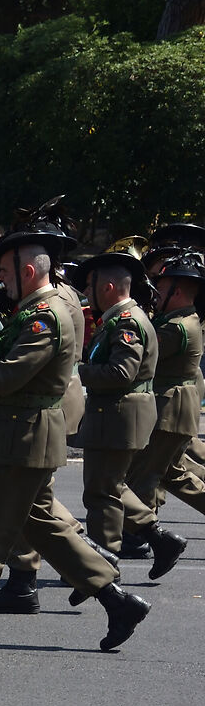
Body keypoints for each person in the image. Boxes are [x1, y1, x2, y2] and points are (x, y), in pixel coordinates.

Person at [0, 205, 148, 651]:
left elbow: (8, 375)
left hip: (20, 432)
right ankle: (116, 598)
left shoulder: (44, 316)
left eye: (5, 272)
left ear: (28, 271)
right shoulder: (40, 308)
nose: (0, 281)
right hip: (23, 430)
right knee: (44, 526)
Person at [120, 244, 204, 577]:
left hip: (168, 411)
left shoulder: (178, 327)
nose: (157, 292)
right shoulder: (179, 320)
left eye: (163, 287)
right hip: (174, 410)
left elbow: (141, 354)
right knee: (173, 474)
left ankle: (148, 539)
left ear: (179, 291)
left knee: (139, 477)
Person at [70, 245, 157, 558]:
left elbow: (121, 372)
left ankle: (101, 566)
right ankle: (158, 537)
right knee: (109, 486)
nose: (85, 293)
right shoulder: (118, 318)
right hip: (115, 415)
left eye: (89, 286)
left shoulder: (126, 322)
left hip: (117, 415)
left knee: (102, 493)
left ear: (106, 287)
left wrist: (77, 371)